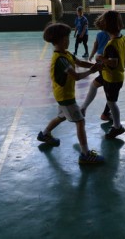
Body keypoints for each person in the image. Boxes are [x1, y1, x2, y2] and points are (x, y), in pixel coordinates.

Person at [38, 22, 104, 164]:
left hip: (62, 95)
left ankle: (44, 134)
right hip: (65, 97)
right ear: (62, 39)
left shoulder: (66, 54)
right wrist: (92, 71)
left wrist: (96, 66)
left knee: (62, 116)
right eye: (67, 37)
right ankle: (85, 154)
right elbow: (76, 76)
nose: (69, 40)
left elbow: (79, 62)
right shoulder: (61, 59)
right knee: (80, 121)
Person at [94, 11, 125, 139]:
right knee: (111, 102)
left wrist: (101, 58)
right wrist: (124, 61)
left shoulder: (111, 44)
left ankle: (117, 127)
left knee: (111, 103)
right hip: (117, 77)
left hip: (112, 78)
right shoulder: (123, 38)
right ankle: (116, 125)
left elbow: (113, 63)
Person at [81, 30, 112, 121]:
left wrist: (91, 55)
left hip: (99, 58)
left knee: (103, 84)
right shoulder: (112, 34)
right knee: (109, 88)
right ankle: (105, 114)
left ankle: (85, 107)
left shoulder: (99, 34)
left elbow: (95, 46)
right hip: (106, 59)